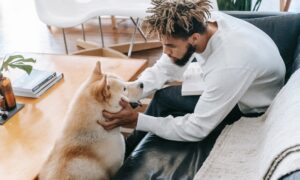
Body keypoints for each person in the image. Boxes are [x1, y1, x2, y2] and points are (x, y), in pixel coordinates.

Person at [99, 0, 285, 164]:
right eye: (163, 44)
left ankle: (125, 156)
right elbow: (166, 67)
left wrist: (136, 119)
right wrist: (133, 92)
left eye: (170, 46)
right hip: (239, 84)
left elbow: (197, 129)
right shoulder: (204, 22)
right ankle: (130, 148)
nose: (165, 52)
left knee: (163, 102)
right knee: (163, 97)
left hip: (250, 107)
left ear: (194, 38)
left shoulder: (228, 64)